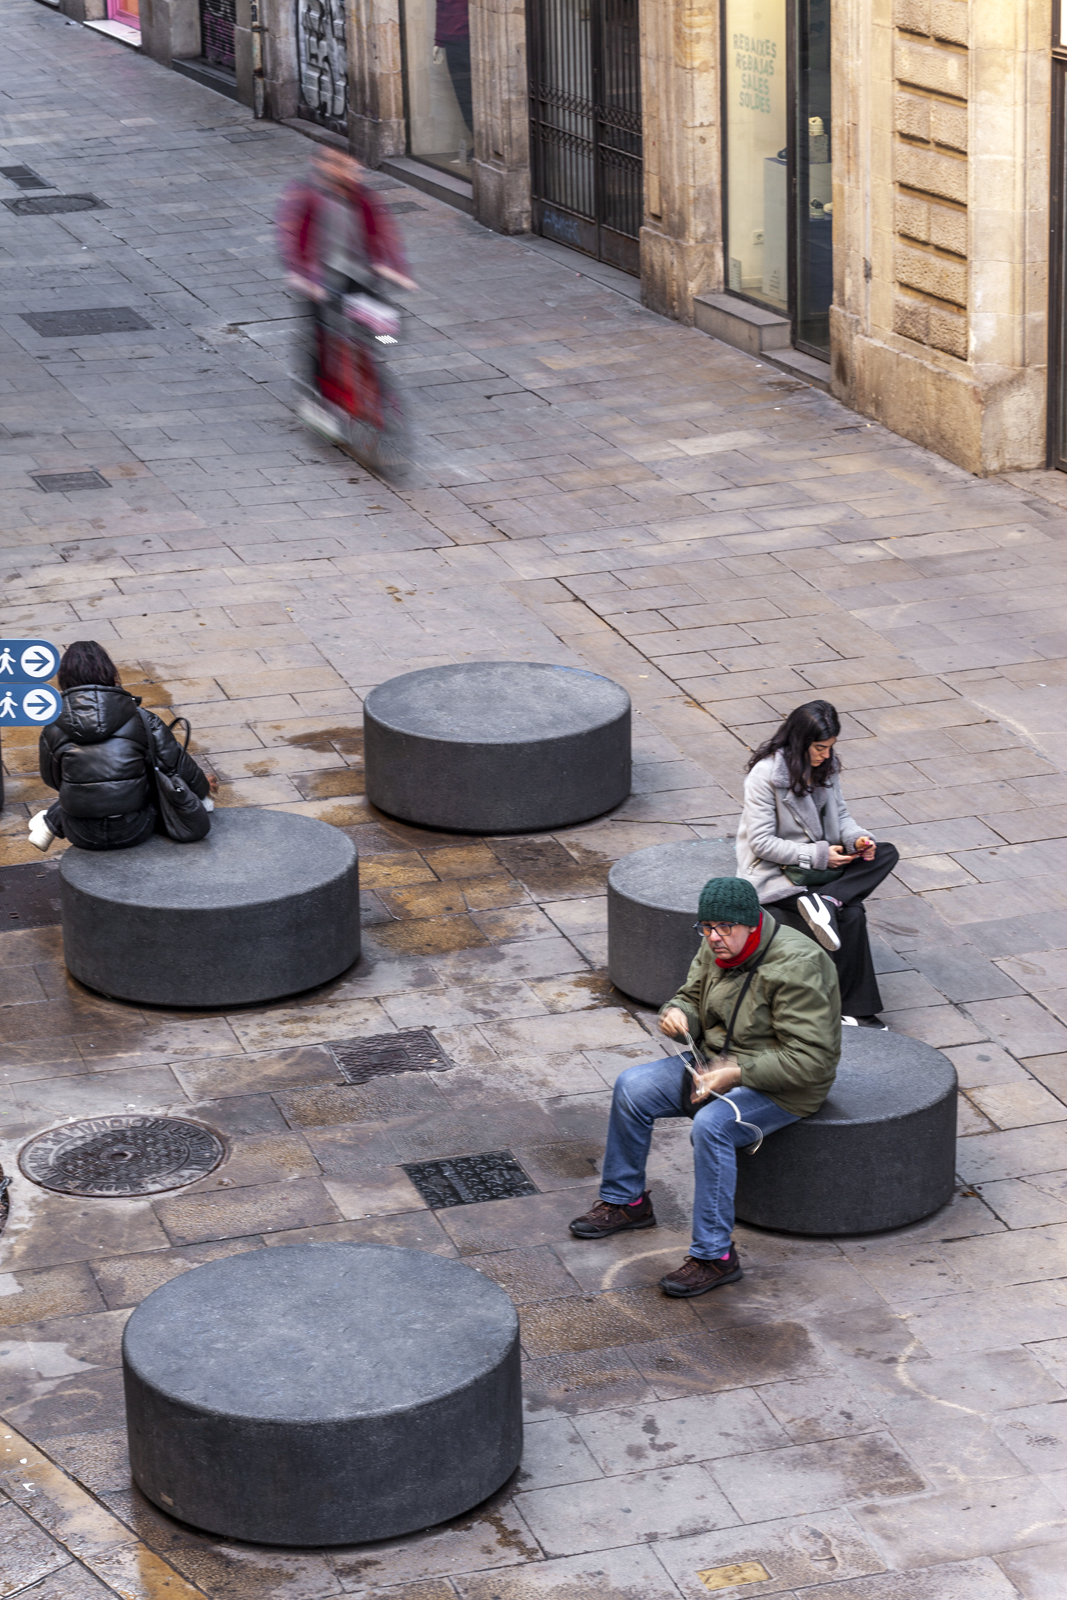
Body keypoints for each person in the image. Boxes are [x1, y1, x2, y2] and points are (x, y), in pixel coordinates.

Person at [570, 877, 840, 1297]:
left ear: (751, 924)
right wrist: (677, 1015)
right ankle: (627, 1202)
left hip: (784, 1087)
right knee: (632, 1086)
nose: (713, 938)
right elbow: (690, 998)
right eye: (706, 928)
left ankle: (715, 1256)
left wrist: (736, 1073)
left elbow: (812, 1061)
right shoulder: (716, 946)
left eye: (724, 928)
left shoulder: (798, 965)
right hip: (712, 1064)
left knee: (712, 1126)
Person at [735, 699, 899, 1027]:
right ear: (800, 741)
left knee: (886, 852)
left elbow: (840, 815)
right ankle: (855, 1009)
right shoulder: (765, 775)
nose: (826, 755)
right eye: (820, 748)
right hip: (779, 873)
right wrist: (820, 855)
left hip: (823, 871)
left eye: (830, 747)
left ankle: (828, 899)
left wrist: (857, 841)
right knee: (852, 913)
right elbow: (761, 843)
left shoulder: (827, 766)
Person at [277, 147, 415, 437]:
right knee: (321, 337)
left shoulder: (363, 197)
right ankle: (319, 401)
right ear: (322, 165)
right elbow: (291, 236)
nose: (351, 173)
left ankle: (373, 361)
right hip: (320, 281)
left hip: (359, 277)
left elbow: (384, 234)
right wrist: (300, 276)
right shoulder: (304, 195)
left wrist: (395, 269)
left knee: (386, 330)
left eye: (353, 167)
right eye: (342, 166)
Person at [29, 641, 215, 853]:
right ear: (110, 673)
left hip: (81, 833)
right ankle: (49, 821)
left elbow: (53, 780)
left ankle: (50, 822)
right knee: (152, 773)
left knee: (82, 782)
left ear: (64, 679)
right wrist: (203, 790)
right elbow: (178, 766)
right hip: (135, 828)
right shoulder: (143, 720)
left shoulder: (53, 726)